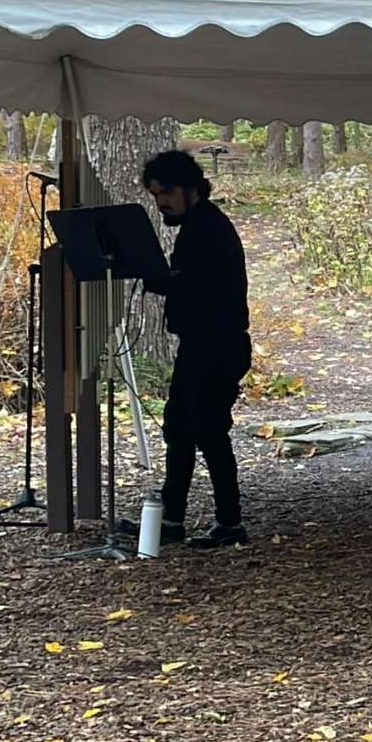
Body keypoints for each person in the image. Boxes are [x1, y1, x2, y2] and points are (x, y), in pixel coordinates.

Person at [135, 150, 252, 548]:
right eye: (155, 195)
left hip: (217, 347)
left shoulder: (208, 228)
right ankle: (172, 520)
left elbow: (197, 287)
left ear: (191, 189)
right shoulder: (198, 225)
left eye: (166, 192)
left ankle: (230, 522)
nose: (161, 202)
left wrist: (158, 277)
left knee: (208, 430)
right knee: (180, 428)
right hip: (201, 344)